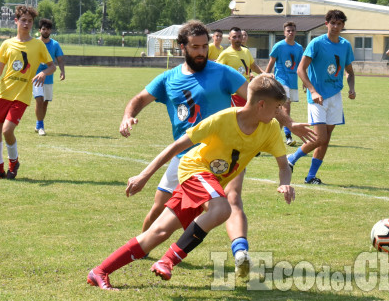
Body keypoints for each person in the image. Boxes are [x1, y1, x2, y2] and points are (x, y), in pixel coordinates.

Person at [118, 21, 312, 277]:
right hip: (186, 156)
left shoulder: (222, 72)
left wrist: (290, 123)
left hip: (226, 153)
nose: (201, 52)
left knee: (231, 199)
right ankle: (141, 249)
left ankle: (240, 252)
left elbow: (260, 102)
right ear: (182, 47)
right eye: (195, 47)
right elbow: (140, 99)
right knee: (160, 208)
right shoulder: (169, 78)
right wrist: (127, 116)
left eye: (204, 46)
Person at [88, 74, 295, 290]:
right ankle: (167, 261)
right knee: (222, 208)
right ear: (261, 105)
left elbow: (283, 165)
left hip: (210, 182)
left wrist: (285, 183)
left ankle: (100, 271)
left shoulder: (270, 129)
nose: (279, 112)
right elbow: (176, 147)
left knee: (158, 231)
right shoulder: (223, 120)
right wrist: (144, 175)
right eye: (277, 107)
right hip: (194, 169)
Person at [0, 6, 55, 180]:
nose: (26, 24)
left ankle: (13, 162)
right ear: (16, 21)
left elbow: (52, 66)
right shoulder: (7, 44)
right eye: (23, 20)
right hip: (3, 92)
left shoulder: (38, 45)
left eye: (30, 21)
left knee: (7, 130)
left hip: (22, 95)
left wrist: (43, 72)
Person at [287, 10, 356, 185]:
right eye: (332, 23)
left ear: (343, 26)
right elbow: (301, 69)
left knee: (326, 139)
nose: (335, 27)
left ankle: (311, 177)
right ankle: (291, 159)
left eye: (339, 24)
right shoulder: (316, 43)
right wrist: (313, 90)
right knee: (320, 138)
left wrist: (351, 88)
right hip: (317, 98)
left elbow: (349, 71)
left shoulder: (345, 45)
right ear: (326, 24)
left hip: (335, 97)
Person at [265, 21, 303, 146]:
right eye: (288, 30)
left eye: (292, 30)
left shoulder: (298, 48)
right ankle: (288, 136)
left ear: (295, 32)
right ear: (284, 32)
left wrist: (304, 80)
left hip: (293, 81)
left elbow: (300, 66)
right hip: (281, 80)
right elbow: (271, 62)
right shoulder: (279, 46)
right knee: (286, 107)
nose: (290, 32)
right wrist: (266, 77)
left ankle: (270, 136)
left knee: (280, 111)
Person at [33, 19, 65, 136]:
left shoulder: (55, 44)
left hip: (49, 77)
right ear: (39, 30)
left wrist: (62, 71)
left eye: (48, 29)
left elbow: (60, 60)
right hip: (35, 77)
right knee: (39, 100)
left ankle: (39, 122)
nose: (46, 31)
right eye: (44, 29)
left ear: (50, 30)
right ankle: (40, 126)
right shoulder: (34, 43)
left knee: (45, 102)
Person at [217, 27, 264, 107]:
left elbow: (253, 66)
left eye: (239, 36)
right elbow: (217, 71)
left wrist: (265, 74)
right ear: (229, 38)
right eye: (234, 37)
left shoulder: (246, 51)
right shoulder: (225, 54)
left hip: (248, 90)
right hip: (234, 94)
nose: (237, 39)